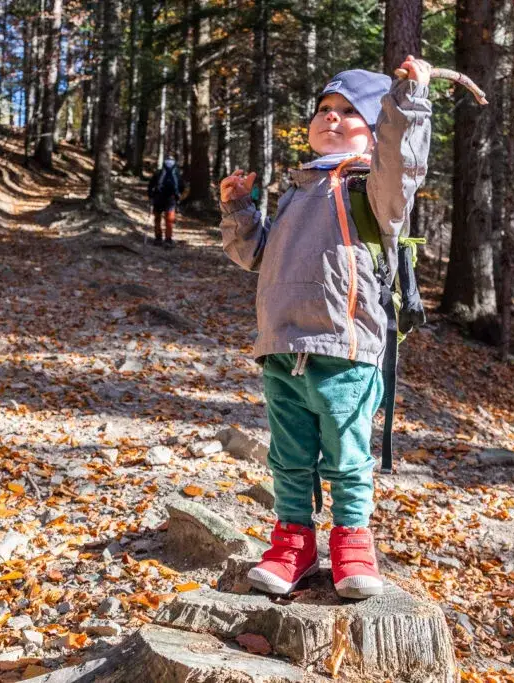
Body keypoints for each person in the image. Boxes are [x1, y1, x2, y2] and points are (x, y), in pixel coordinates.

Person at [217, 57, 433, 599]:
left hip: (346, 347)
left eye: (348, 112)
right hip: (281, 347)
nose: (331, 118)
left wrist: (407, 102)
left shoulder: (374, 190)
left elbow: (403, 163)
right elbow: (253, 255)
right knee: (288, 455)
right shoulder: (296, 190)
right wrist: (240, 207)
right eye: (323, 109)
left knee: (347, 457)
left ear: (375, 128)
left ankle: (353, 542)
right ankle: (293, 540)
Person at [147, 156, 185, 248]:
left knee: (157, 219)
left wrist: (150, 196)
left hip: (158, 198)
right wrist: (178, 196)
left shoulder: (159, 172)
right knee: (169, 220)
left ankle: (158, 238)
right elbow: (182, 187)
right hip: (171, 199)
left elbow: (151, 185)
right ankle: (168, 239)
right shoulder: (176, 174)